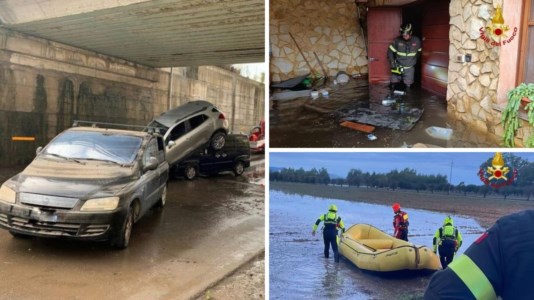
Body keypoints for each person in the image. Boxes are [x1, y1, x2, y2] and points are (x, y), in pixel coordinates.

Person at [424, 210, 534, 299]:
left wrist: (434, 251)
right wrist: (456, 249)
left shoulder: (514, 225)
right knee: (449, 261)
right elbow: (460, 240)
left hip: (438, 286)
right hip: (452, 248)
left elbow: (435, 239)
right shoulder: (455, 230)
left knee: (444, 263)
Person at [387, 23, 422, 90]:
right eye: (403, 35)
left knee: (408, 87)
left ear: (411, 33)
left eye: (406, 35)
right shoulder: (397, 41)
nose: (404, 36)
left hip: (409, 68)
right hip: (397, 66)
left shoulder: (417, 41)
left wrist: (414, 62)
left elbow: (419, 53)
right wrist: (392, 63)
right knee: (393, 84)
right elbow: (390, 52)